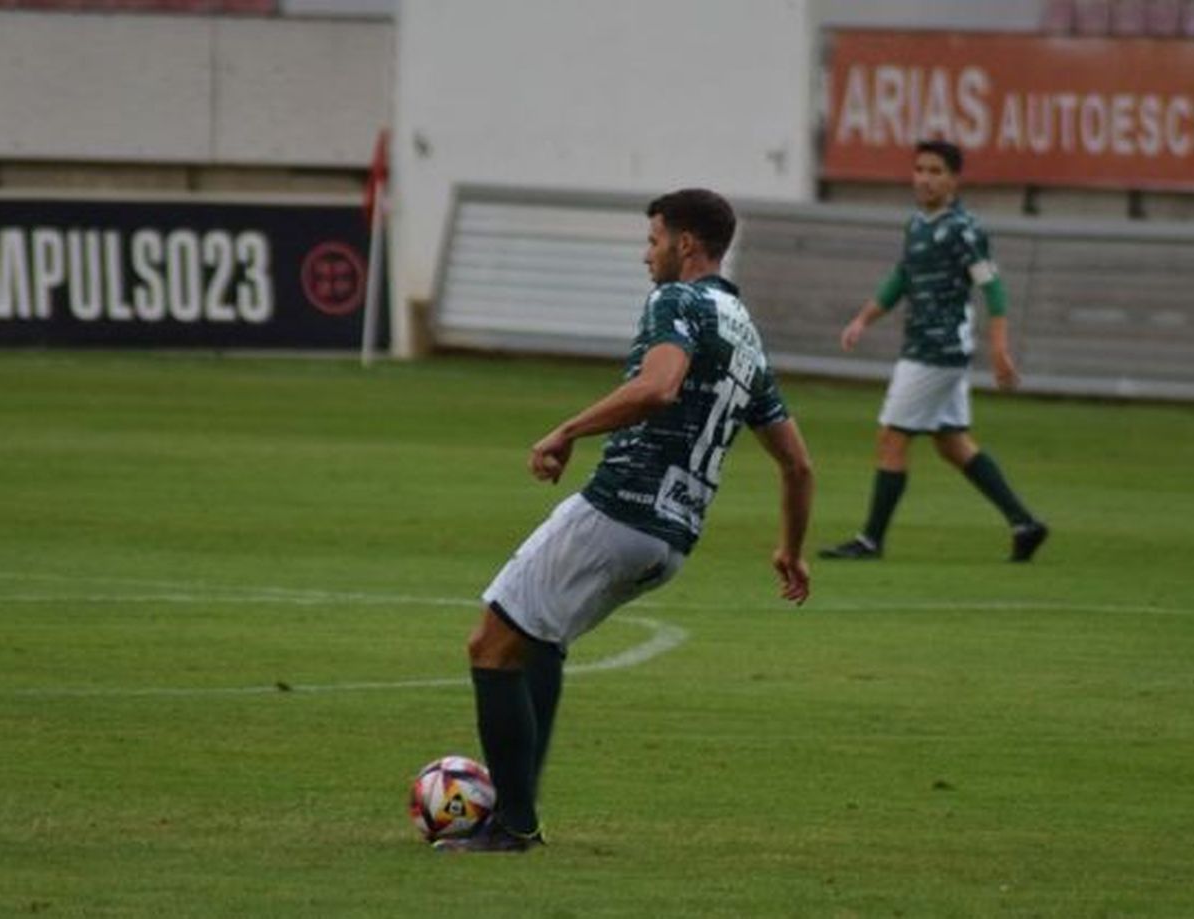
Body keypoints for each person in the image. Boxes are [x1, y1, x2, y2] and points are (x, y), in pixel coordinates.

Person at [435, 188, 815, 853]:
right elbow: (798, 466)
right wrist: (791, 547)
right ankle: (517, 817)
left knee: (490, 643)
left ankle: (514, 824)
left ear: (686, 244)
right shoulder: (746, 333)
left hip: (621, 506)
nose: (647, 254)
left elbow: (658, 385)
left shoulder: (679, 301)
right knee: (538, 640)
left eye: (653, 239)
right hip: (672, 540)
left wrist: (566, 429)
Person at [819, 140, 1048, 563]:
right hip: (925, 347)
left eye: (935, 171)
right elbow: (901, 278)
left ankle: (870, 540)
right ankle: (1024, 523)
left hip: (936, 351)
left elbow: (991, 287)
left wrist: (1000, 349)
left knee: (891, 437)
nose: (924, 178)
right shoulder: (917, 224)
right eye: (919, 169)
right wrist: (862, 320)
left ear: (954, 179)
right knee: (952, 443)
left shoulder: (964, 228)